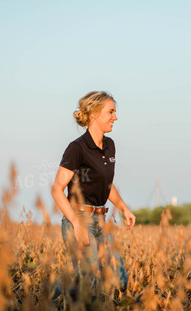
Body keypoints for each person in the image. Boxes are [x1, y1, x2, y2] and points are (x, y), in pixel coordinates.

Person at [50, 91, 136, 293]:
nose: (115, 117)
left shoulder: (110, 146)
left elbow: (106, 184)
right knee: (92, 284)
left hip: (101, 222)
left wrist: (124, 208)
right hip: (79, 220)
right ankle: (55, 298)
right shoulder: (77, 148)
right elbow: (56, 189)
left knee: (120, 281)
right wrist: (77, 224)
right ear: (95, 114)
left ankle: (64, 295)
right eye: (111, 112)